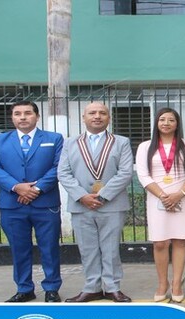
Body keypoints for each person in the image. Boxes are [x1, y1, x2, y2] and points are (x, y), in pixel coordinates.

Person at [0, 101, 64, 303]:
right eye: (17, 114)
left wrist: (36, 189)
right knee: (19, 248)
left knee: (49, 247)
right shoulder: (0, 140)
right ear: (12, 117)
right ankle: (24, 288)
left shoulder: (54, 139)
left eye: (28, 113)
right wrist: (17, 187)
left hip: (45, 203)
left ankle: (51, 288)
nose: (22, 117)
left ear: (37, 116)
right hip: (12, 205)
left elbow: (58, 167)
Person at [58, 101, 134, 302]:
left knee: (110, 248)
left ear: (109, 118)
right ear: (84, 117)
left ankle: (112, 287)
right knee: (87, 248)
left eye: (102, 113)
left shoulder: (121, 142)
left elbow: (126, 172)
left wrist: (103, 195)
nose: (97, 116)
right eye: (92, 113)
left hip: (111, 204)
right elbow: (63, 172)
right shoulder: (70, 142)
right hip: (80, 204)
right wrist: (81, 195)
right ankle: (91, 287)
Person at [136, 108, 185, 302]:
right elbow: (143, 175)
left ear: (177, 124)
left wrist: (178, 195)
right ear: (156, 123)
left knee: (180, 240)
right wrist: (164, 196)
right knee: (160, 242)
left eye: (171, 120)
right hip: (157, 198)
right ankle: (162, 283)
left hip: (182, 197)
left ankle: (177, 283)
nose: (166, 123)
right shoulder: (145, 147)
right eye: (162, 119)